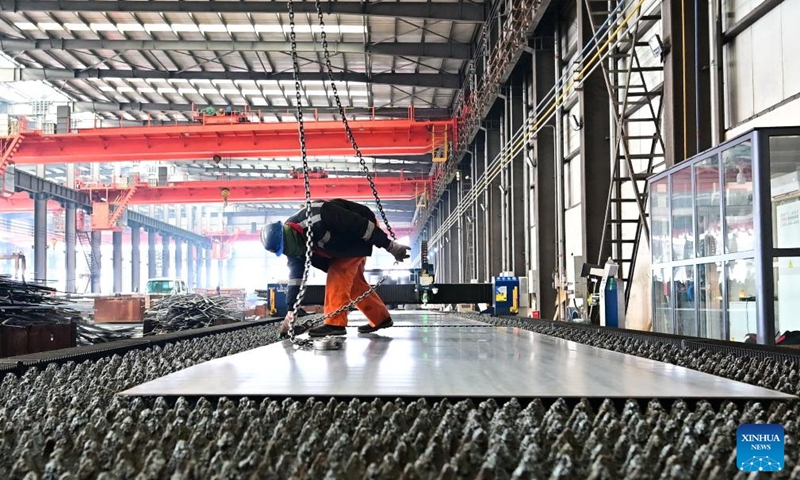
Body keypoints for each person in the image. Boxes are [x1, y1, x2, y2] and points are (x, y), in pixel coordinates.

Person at [261, 199, 410, 337]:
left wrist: (391, 246)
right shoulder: (292, 247)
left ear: (287, 235)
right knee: (354, 284)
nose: (287, 252)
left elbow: (361, 226)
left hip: (360, 230)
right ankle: (380, 318)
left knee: (338, 273)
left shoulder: (320, 215)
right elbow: (296, 278)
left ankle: (334, 324)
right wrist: (291, 311)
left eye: (285, 248)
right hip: (341, 245)